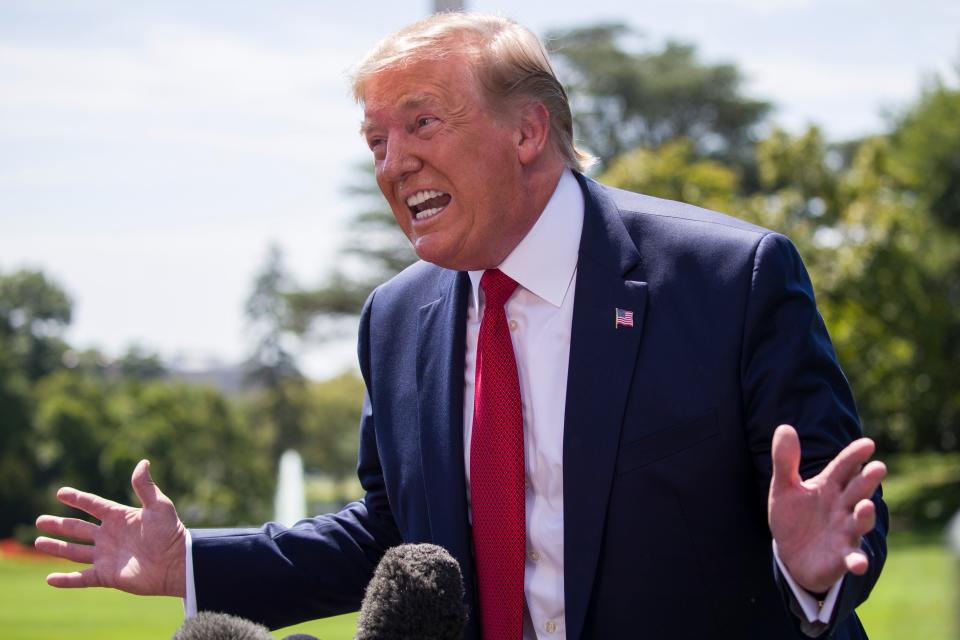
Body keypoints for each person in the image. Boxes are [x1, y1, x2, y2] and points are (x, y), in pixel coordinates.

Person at [34, 13, 887, 640]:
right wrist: (192, 562)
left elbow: (832, 513)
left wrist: (808, 571)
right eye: (375, 139)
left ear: (527, 130)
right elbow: (391, 530)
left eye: (420, 122)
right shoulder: (397, 319)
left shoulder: (730, 280)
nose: (392, 160)